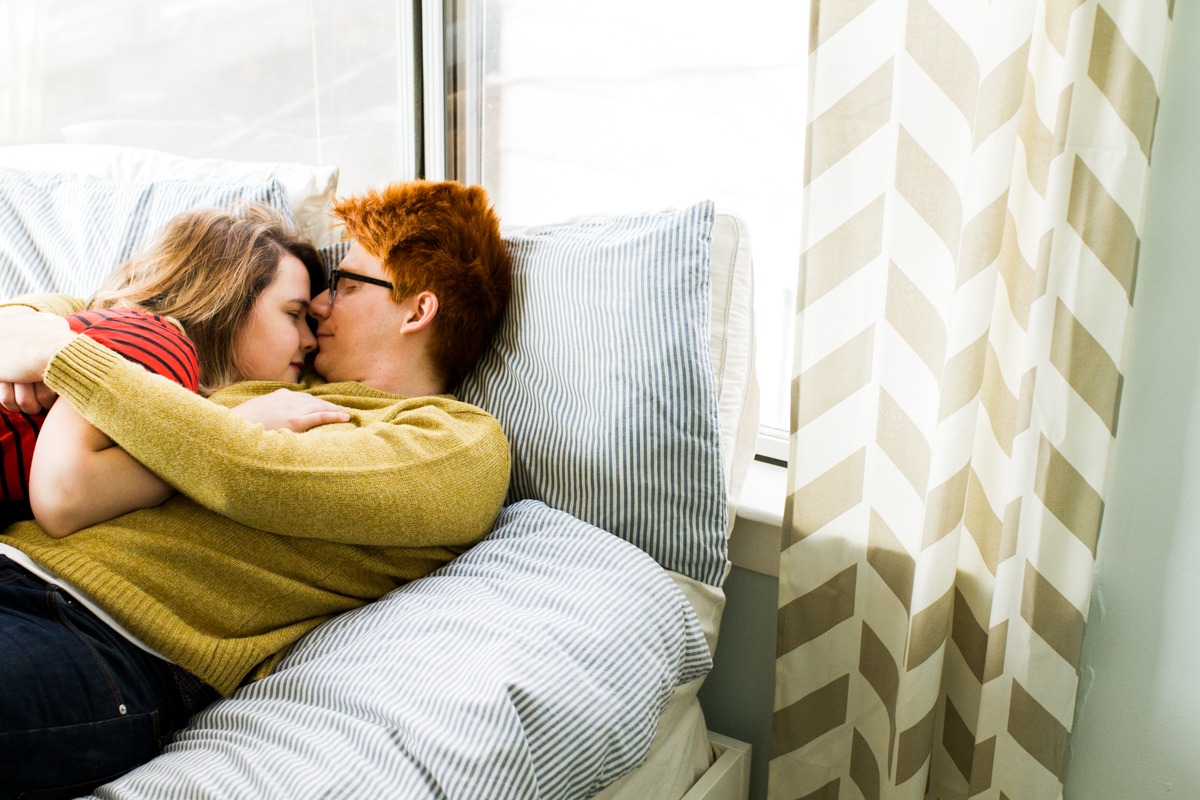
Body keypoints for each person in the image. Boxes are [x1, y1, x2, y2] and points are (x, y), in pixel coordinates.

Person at [0, 180, 512, 799]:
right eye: (306, 305)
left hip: (106, 643)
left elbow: (257, 474)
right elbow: (93, 310)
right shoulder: (260, 375)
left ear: (417, 310)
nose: (321, 307)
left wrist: (66, 357)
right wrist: (29, 331)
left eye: (346, 287)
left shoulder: (454, 440)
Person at [0, 204, 336, 536]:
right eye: (293, 314)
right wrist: (232, 430)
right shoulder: (160, 341)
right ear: (227, 302)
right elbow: (63, 498)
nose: (310, 342)